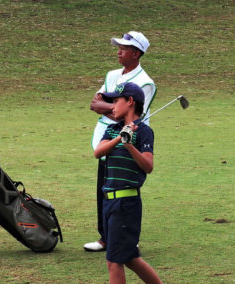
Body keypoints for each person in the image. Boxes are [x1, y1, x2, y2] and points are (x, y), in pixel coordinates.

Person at [86, 31, 156, 251]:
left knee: (126, 185)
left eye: (124, 48)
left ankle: (126, 233)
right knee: (104, 187)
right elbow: (95, 103)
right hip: (107, 137)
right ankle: (105, 237)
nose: (118, 51)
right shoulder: (112, 75)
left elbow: (135, 112)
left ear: (136, 53)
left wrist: (109, 107)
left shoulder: (146, 82)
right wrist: (115, 108)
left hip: (131, 138)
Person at [94, 82, 162, 284]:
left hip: (126, 203)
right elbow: (98, 152)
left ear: (130, 102)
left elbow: (148, 166)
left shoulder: (143, 132)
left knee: (114, 262)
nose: (112, 106)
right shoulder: (113, 129)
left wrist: (129, 145)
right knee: (131, 259)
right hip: (109, 202)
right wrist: (119, 138)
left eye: (116, 101)